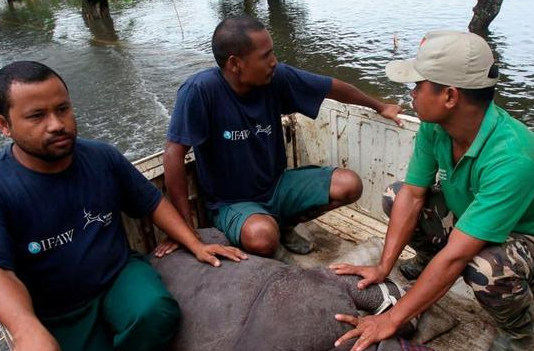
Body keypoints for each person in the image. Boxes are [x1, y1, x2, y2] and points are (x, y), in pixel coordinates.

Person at [0, 61, 245, 351]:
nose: (56, 124)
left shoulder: (101, 157)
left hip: (117, 276)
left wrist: (195, 243)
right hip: (58, 310)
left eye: (62, 109)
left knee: (156, 312)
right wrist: (26, 330)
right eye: (37, 116)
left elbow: (150, 203)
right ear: (4, 126)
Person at [331, 31, 534, 351]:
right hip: (472, 218)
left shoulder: (513, 157)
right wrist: (383, 267)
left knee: (482, 266)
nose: (412, 94)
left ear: (449, 96)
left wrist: (391, 318)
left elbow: (459, 255)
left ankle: (517, 330)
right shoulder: (436, 127)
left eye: (418, 86)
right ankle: (427, 258)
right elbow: (414, 194)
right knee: (395, 195)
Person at [160, 15, 404, 259]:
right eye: (265, 56)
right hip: (231, 203)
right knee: (263, 237)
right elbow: (173, 154)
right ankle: (270, 230)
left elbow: (331, 86)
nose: (274, 62)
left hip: (276, 187)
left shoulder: (275, 79)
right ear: (235, 64)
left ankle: (284, 225)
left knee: (350, 184)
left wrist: (379, 106)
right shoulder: (200, 91)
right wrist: (186, 230)